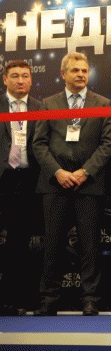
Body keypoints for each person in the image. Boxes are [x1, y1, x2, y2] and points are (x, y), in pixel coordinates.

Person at [32, 52, 111, 316]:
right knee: (53, 244)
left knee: (89, 245)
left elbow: (107, 144)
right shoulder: (48, 104)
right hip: (54, 184)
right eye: (75, 70)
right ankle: (49, 298)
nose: (81, 74)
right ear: (63, 74)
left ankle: (90, 298)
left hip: (88, 186)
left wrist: (84, 172)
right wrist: (58, 172)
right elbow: (39, 144)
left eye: (84, 70)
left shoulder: (103, 104)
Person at [0, 60, 42, 316]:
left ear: (31, 79)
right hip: (2, 177)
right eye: (14, 76)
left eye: (25, 76)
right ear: (5, 79)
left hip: (28, 180)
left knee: (19, 241)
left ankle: (13, 299)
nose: (20, 81)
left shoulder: (40, 107)